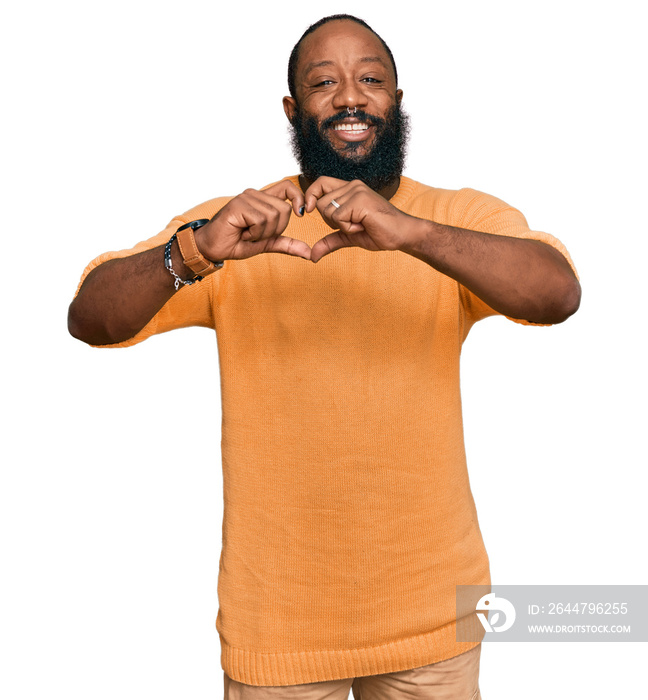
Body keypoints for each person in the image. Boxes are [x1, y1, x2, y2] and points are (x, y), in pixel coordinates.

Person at [68, 14, 581, 700]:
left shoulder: (452, 219)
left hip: (432, 623)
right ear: (293, 109)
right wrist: (193, 252)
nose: (350, 97)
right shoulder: (238, 227)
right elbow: (91, 318)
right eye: (323, 82)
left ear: (396, 102)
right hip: (277, 631)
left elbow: (557, 292)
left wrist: (414, 234)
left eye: (371, 79)